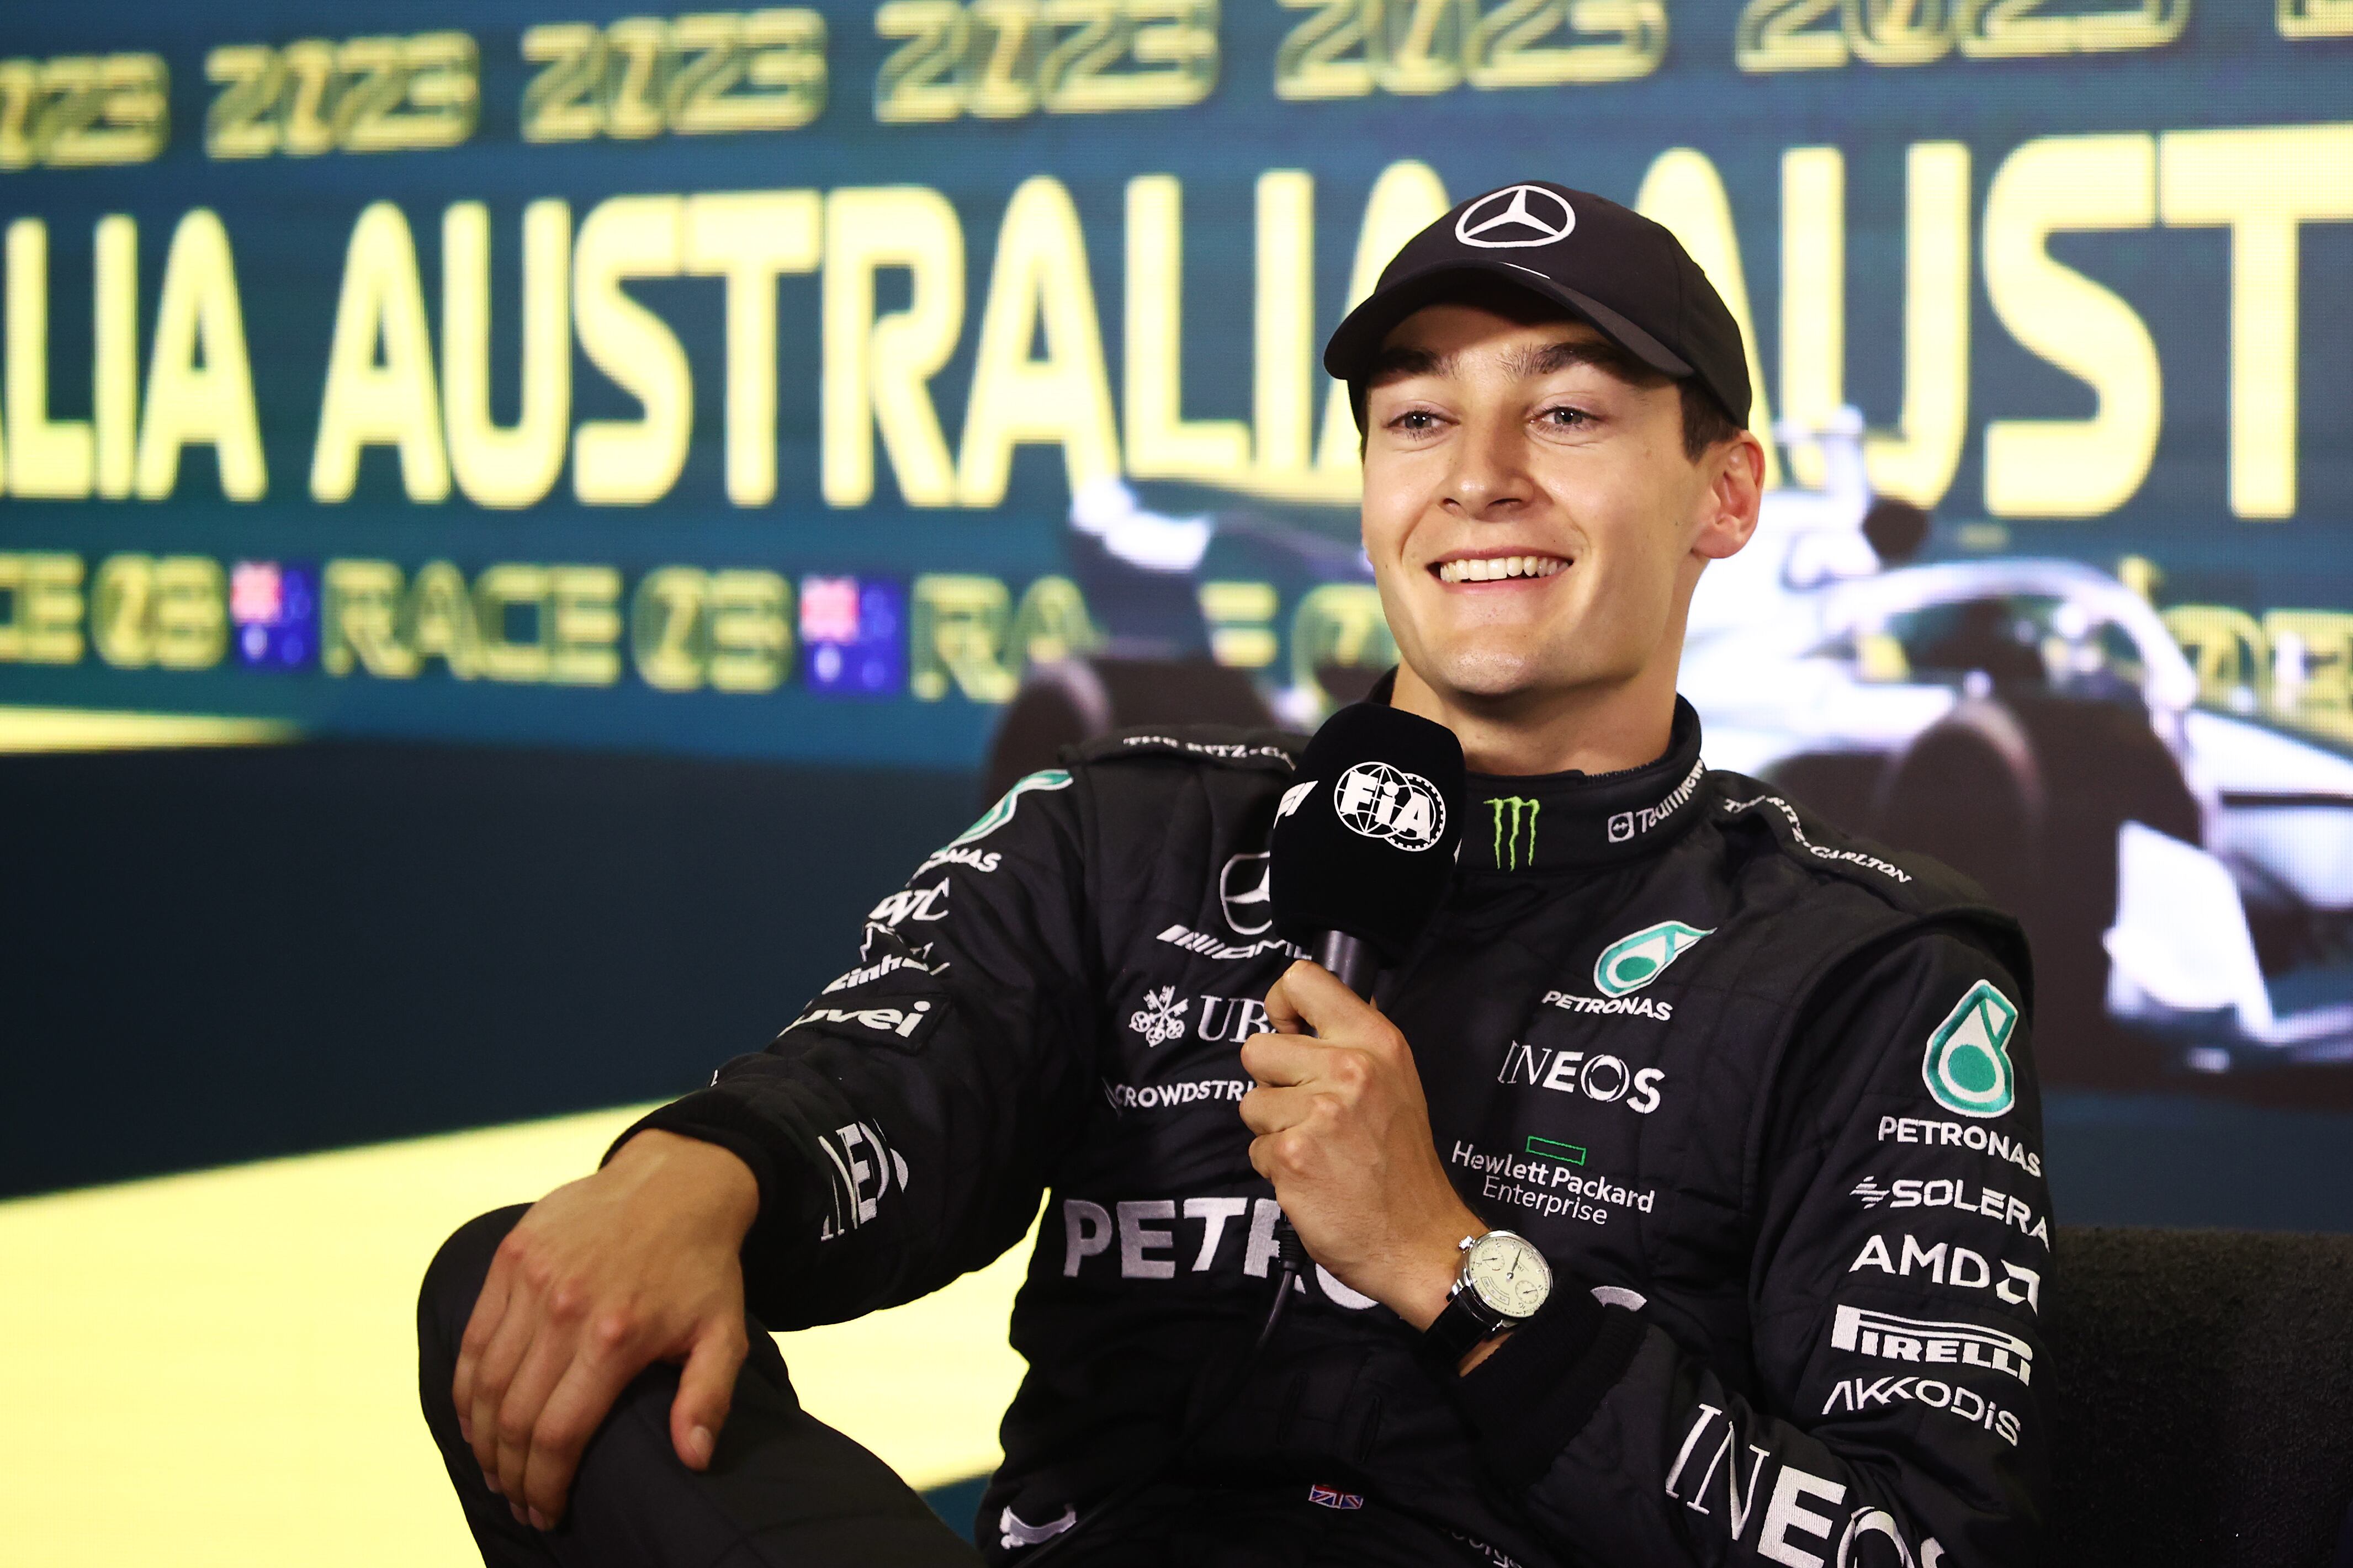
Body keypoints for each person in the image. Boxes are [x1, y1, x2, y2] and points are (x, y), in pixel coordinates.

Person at [418, 180, 2049, 1567]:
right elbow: (886, 1081)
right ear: (1372, 493)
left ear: (1727, 494)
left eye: (1567, 409)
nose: (1481, 471)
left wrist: (1453, 1266)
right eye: (1419, 415)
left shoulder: (1873, 967)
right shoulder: (1122, 837)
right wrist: (700, 1171)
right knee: (525, 1279)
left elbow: (1910, 1541)